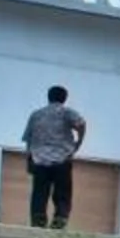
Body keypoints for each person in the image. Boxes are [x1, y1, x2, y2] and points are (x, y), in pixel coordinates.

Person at [21, 84, 86, 230]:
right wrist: (79, 142)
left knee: (39, 192)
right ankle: (60, 218)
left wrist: (29, 158)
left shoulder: (36, 114)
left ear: (48, 97)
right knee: (62, 191)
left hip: (39, 159)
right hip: (61, 158)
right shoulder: (66, 112)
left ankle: (38, 219)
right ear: (64, 98)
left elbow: (28, 139)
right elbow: (81, 123)